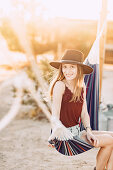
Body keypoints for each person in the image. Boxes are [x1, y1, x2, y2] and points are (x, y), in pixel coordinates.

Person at [48, 49, 113, 170]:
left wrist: (88, 130)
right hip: (66, 139)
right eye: (65, 67)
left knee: (112, 137)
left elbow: (84, 113)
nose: (68, 71)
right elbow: (54, 115)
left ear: (79, 69)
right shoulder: (60, 85)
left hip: (78, 133)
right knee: (110, 141)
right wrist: (55, 133)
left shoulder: (81, 86)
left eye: (72, 67)